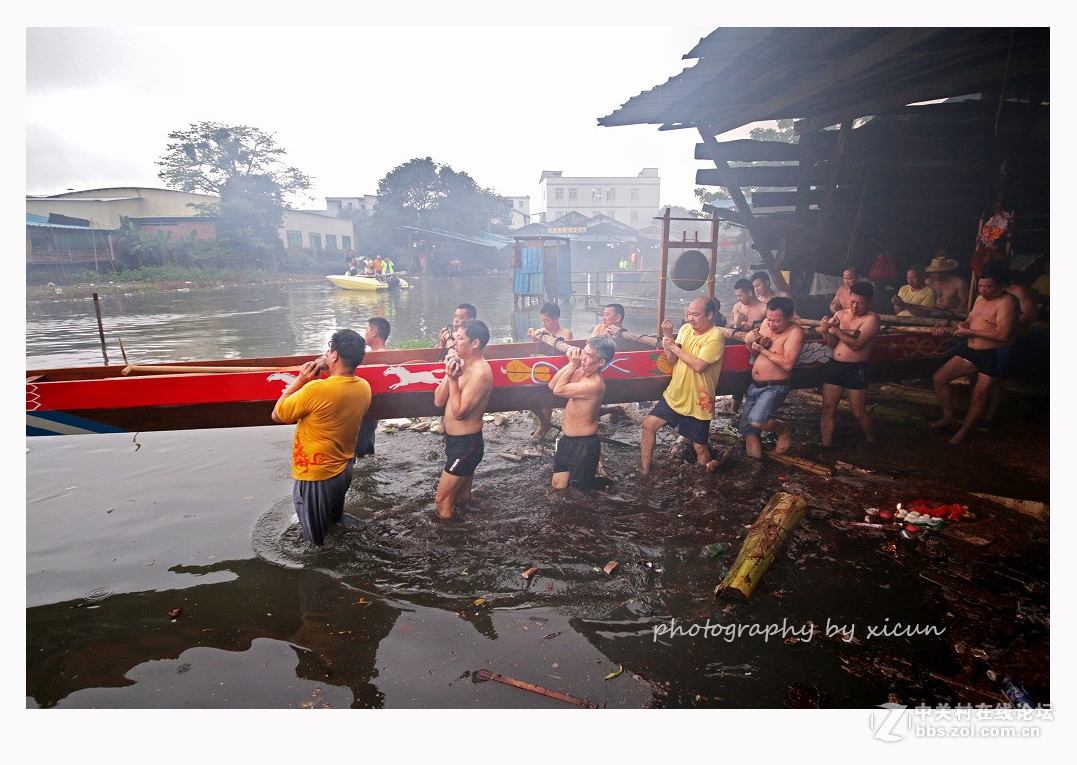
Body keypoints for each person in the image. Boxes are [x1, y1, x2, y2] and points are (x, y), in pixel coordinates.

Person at [272, 329, 371, 547]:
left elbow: (277, 414)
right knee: (334, 520)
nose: (325, 355)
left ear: (334, 355)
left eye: (328, 351)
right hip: (343, 470)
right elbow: (336, 389)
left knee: (315, 543)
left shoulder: (315, 389)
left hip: (316, 475)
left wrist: (300, 379)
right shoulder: (364, 387)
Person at [929, 259, 1019, 445]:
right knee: (940, 378)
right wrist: (957, 326)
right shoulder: (979, 298)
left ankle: (963, 432)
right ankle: (949, 416)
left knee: (979, 395)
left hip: (994, 354)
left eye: (988, 287)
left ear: (1002, 286)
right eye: (981, 286)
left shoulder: (1007, 302)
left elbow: (1003, 334)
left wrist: (968, 331)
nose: (983, 290)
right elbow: (971, 320)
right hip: (972, 349)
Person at [640, 297, 726, 474]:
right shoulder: (686, 329)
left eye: (695, 315)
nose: (689, 319)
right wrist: (668, 337)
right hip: (676, 393)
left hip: (698, 400)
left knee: (699, 447)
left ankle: (704, 480)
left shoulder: (715, 336)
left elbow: (699, 366)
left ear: (709, 315)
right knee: (648, 425)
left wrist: (675, 347)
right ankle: (644, 470)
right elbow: (672, 359)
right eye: (688, 314)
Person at [434, 319, 494, 519]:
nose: (455, 343)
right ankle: (468, 534)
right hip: (455, 442)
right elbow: (438, 400)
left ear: (475, 343)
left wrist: (453, 380)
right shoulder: (462, 363)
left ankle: (448, 546)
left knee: (442, 502)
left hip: (466, 445)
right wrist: (448, 372)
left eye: (459, 339)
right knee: (462, 500)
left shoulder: (481, 372)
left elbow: (459, 413)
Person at [547, 336, 617, 489]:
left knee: (581, 493)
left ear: (601, 362)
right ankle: (602, 486)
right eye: (584, 353)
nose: (584, 358)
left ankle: (604, 488)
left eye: (589, 356)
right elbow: (552, 385)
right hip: (567, 441)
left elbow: (559, 390)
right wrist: (572, 364)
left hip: (584, 445)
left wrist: (573, 364)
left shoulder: (594, 384)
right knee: (557, 486)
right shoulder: (580, 372)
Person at [739, 297, 804, 459]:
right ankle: (755, 464)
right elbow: (754, 353)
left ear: (789, 318)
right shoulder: (764, 326)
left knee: (757, 421)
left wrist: (762, 350)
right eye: (769, 319)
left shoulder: (795, 333)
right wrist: (749, 344)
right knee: (748, 430)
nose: (771, 324)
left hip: (774, 386)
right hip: (754, 386)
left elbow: (788, 364)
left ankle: (783, 430)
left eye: (777, 320)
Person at [819, 282, 880, 446]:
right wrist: (825, 330)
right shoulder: (840, 314)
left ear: (869, 302)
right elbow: (833, 344)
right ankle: (826, 445)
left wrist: (837, 331)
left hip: (855, 368)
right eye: (852, 301)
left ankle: (871, 440)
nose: (855, 306)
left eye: (860, 303)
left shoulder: (872, 319)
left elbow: (857, 345)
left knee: (858, 412)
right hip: (835, 366)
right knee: (827, 408)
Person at [981, 270, 1040, 432]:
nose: (983, 287)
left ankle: (989, 418)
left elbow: (1032, 315)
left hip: (1012, 340)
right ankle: (978, 413)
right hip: (990, 340)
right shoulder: (986, 294)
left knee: (997, 379)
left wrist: (1005, 322)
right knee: (983, 377)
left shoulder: (1018, 291)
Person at [527, 302, 574, 439]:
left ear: (556, 319)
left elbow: (565, 351)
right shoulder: (542, 332)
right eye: (542, 320)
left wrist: (548, 337)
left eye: (547, 320)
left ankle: (543, 425)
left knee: (546, 395)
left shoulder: (566, 333)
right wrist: (535, 338)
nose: (544, 323)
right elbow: (535, 352)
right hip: (544, 370)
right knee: (531, 395)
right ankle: (544, 423)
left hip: (559, 372)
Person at [355, 318, 390, 458]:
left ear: (374, 332)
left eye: (366, 330)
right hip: (376, 408)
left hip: (367, 407)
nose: (365, 334)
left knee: (360, 450)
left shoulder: (374, 359)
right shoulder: (387, 356)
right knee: (366, 443)